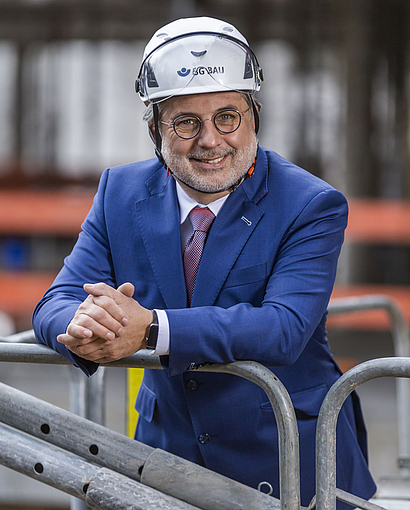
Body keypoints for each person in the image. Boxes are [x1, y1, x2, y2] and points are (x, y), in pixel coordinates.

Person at [33, 16, 376, 507]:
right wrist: (91, 328)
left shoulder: (309, 203)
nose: (211, 140)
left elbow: (283, 328)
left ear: (254, 115)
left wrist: (150, 329)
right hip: (165, 461)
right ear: (155, 128)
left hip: (288, 464)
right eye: (186, 122)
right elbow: (55, 302)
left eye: (227, 116)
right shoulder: (120, 192)